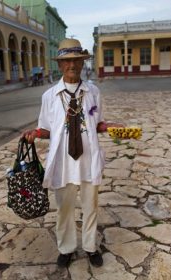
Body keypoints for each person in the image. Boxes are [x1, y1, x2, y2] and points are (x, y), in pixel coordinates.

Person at [22, 38, 123, 268]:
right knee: (64, 210)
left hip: (88, 160)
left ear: (82, 63)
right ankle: (66, 248)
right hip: (63, 162)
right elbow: (47, 129)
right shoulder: (49, 96)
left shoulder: (93, 92)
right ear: (60, 65)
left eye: (76, 61)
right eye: (67, 62)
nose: (72, 66)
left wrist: (107, 126)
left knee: (90, 207)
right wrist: (35, 133)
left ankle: (90, 247)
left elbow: (96, 123)